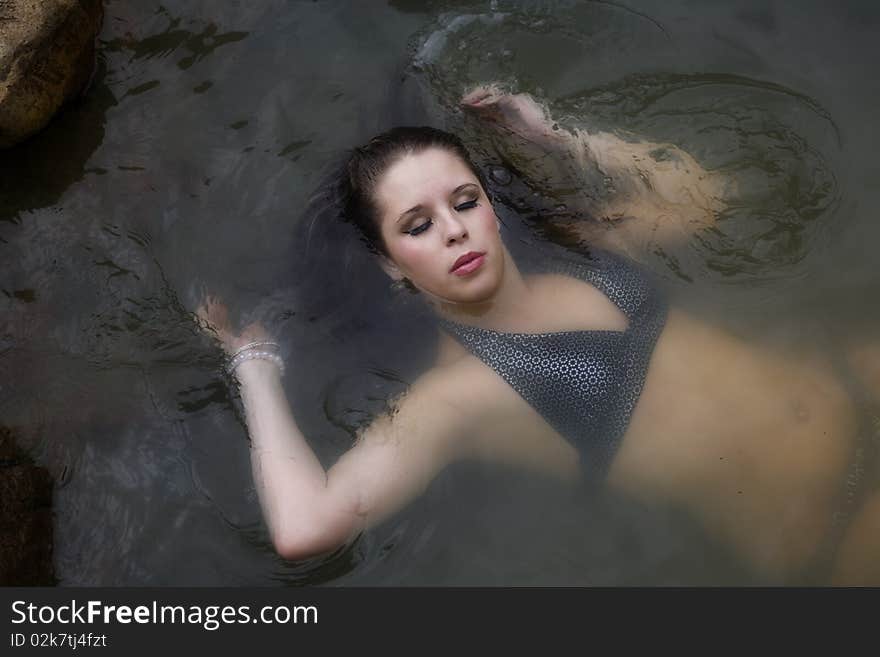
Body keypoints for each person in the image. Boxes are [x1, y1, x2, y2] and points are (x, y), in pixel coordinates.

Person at [195, 92, 880, 585]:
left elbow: (711, 201)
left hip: (851, 378)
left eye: (464, 201)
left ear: (490, 208)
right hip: (836, 518)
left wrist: (555, 138)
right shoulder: (460, 392)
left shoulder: (576, 248)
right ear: (387, 261)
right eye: (418, 224)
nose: (455, 228)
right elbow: (307, 527)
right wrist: (252, 361)